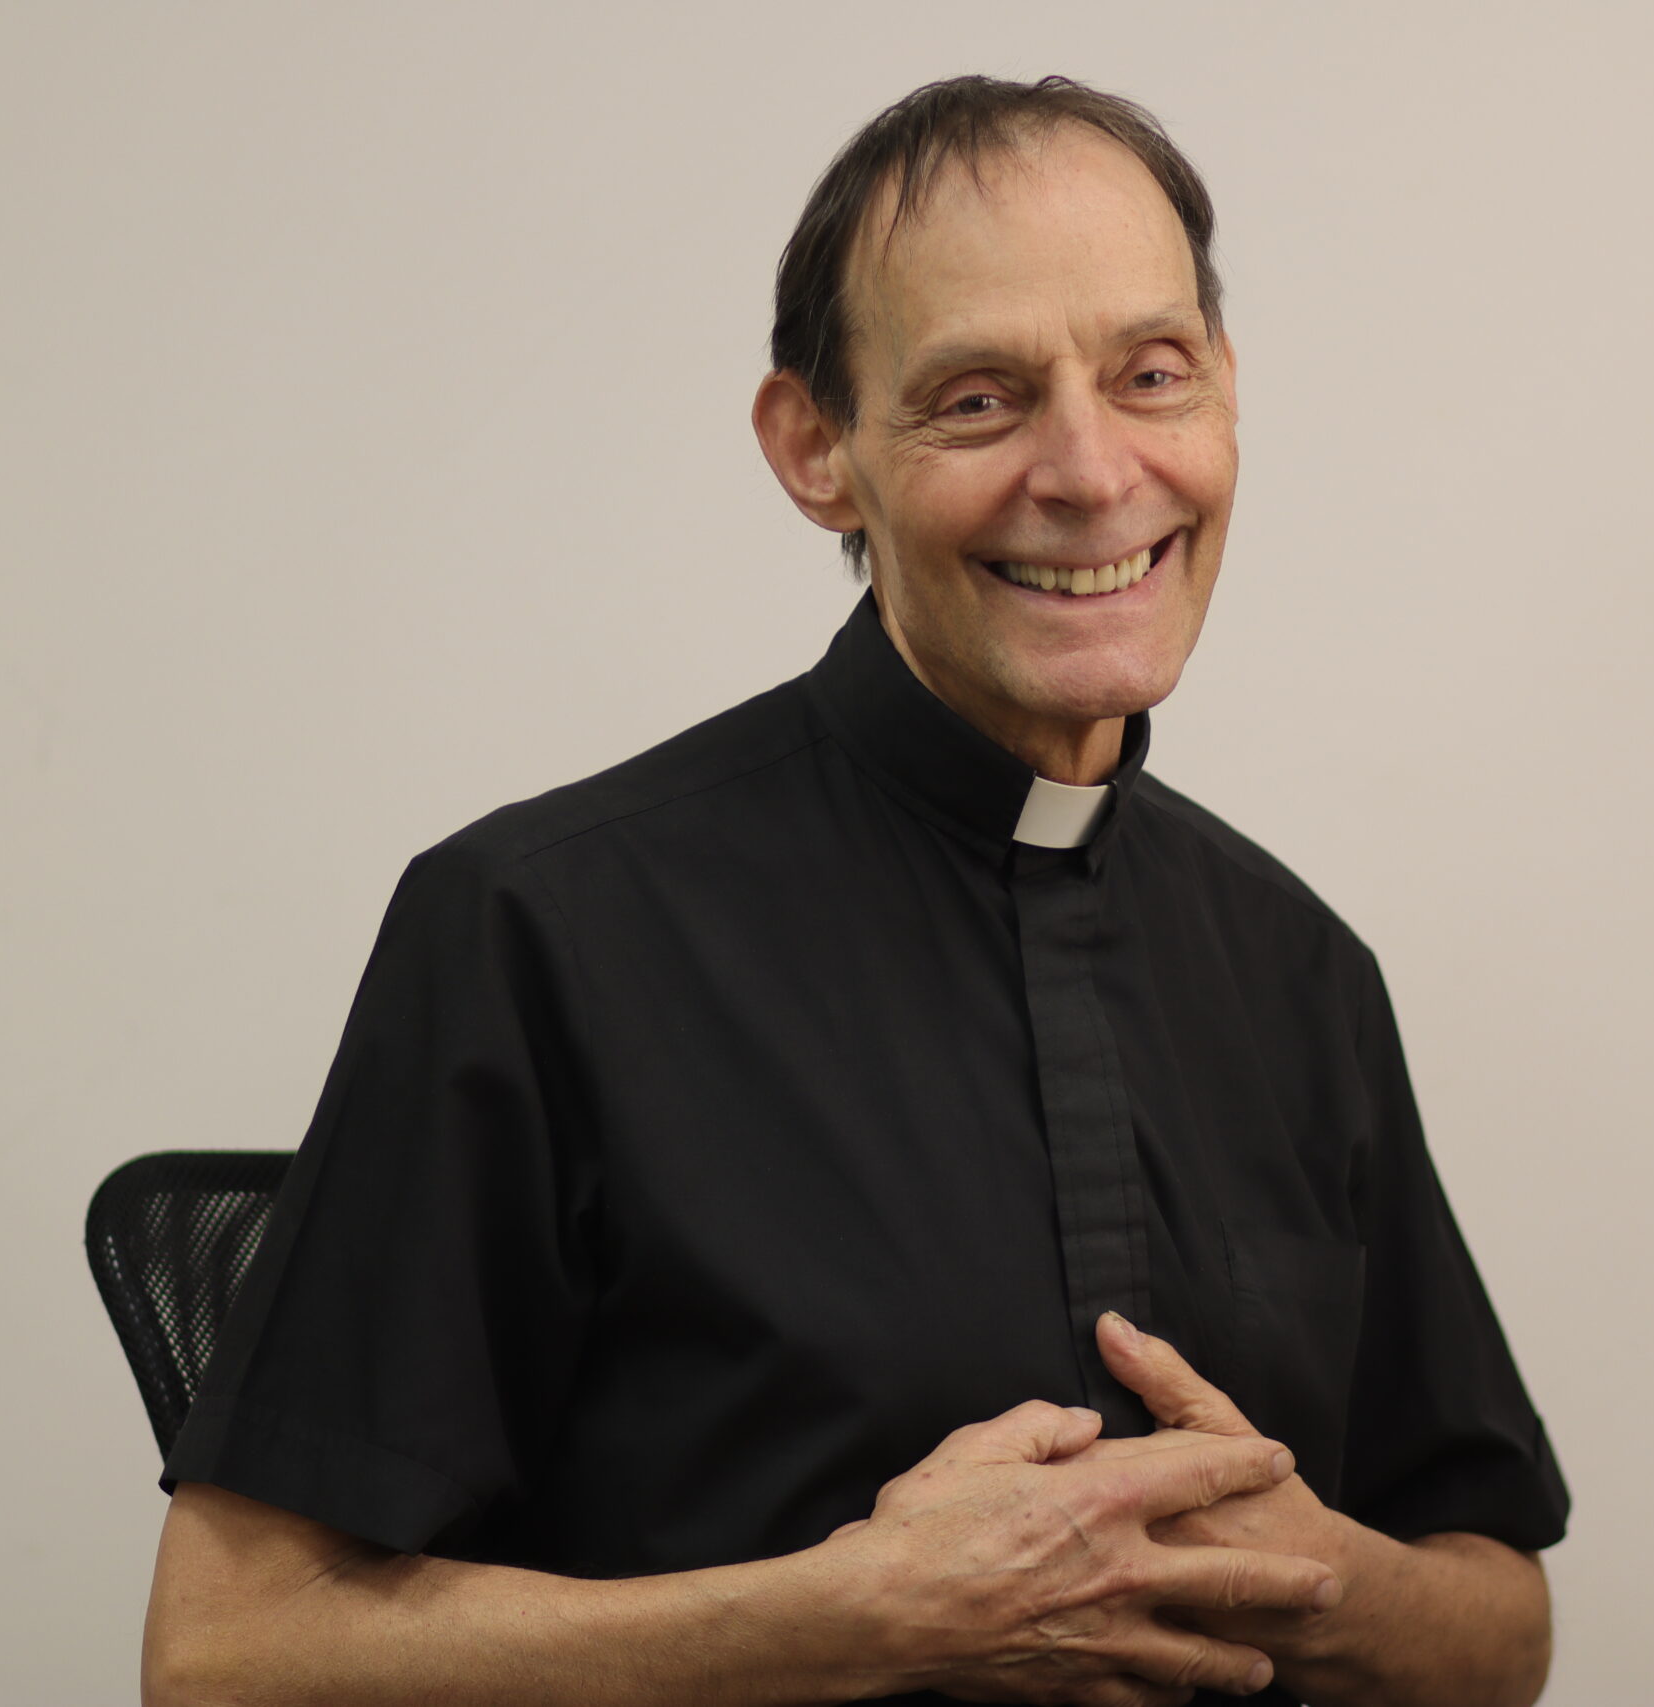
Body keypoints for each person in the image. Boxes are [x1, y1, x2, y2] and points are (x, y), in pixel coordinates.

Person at [143, 75, 1568, 1707]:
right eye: (979, 399)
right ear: (816, 450)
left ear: (1224, 391)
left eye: (1151, 375)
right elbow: (228, 1654)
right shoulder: (538, 928)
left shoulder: (1304, 971)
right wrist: (861, 1616)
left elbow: (1500, 1632)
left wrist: (1316, 1577)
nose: (1092, 470)